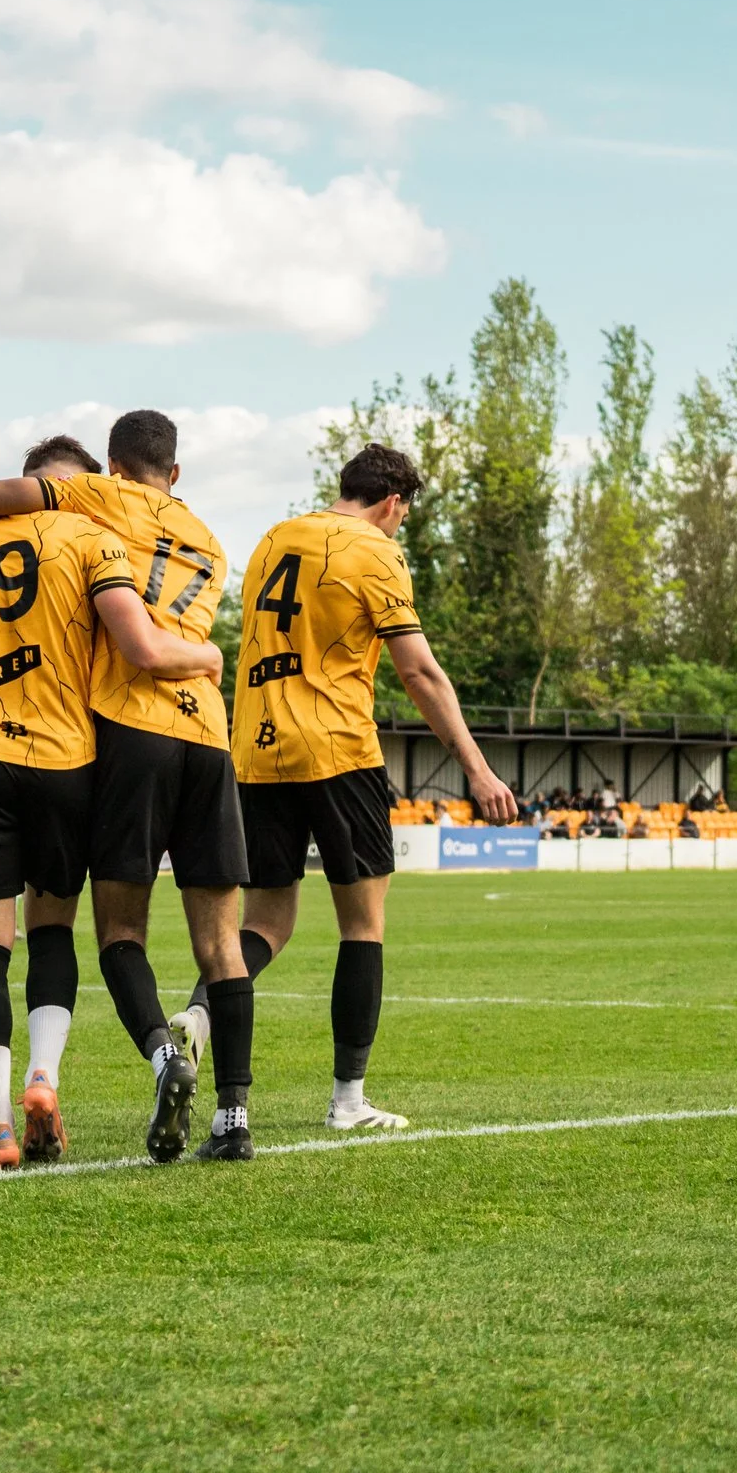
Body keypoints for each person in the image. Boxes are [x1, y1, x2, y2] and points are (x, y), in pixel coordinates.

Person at [182, 443, 517, 1141]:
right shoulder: (375, 550)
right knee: (362, 925)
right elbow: (418, 672)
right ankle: (348, 1100)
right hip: (337, 748)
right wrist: (479, 768)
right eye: (404, 515)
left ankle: (200, 1013)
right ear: (393, 502)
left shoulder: (275, 539)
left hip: (258, 749)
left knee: (266, 924)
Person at [0, 414, 254, 1164]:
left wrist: (53, 493)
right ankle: (233, 1119)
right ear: (175, 473)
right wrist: (211, 660)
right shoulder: (211, 539)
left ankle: (162, 1054)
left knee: (119, 933)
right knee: (222, 943)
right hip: (208, 733)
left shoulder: (95, 502)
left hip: (128, 733)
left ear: (114, 469)